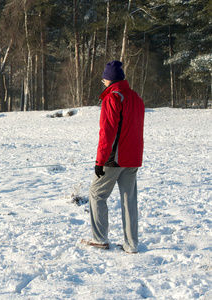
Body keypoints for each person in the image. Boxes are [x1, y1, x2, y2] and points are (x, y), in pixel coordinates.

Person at [81, 60, 145, 254]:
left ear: (109, 79)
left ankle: (99, 239)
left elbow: (107, 133)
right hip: (133, 157)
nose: (103, 82)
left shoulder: (112, 98)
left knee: (96, 193)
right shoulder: (135, 97)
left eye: (104, 79)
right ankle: (131, 245)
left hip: (114, 158)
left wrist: (100, 161)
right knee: (129, 199)